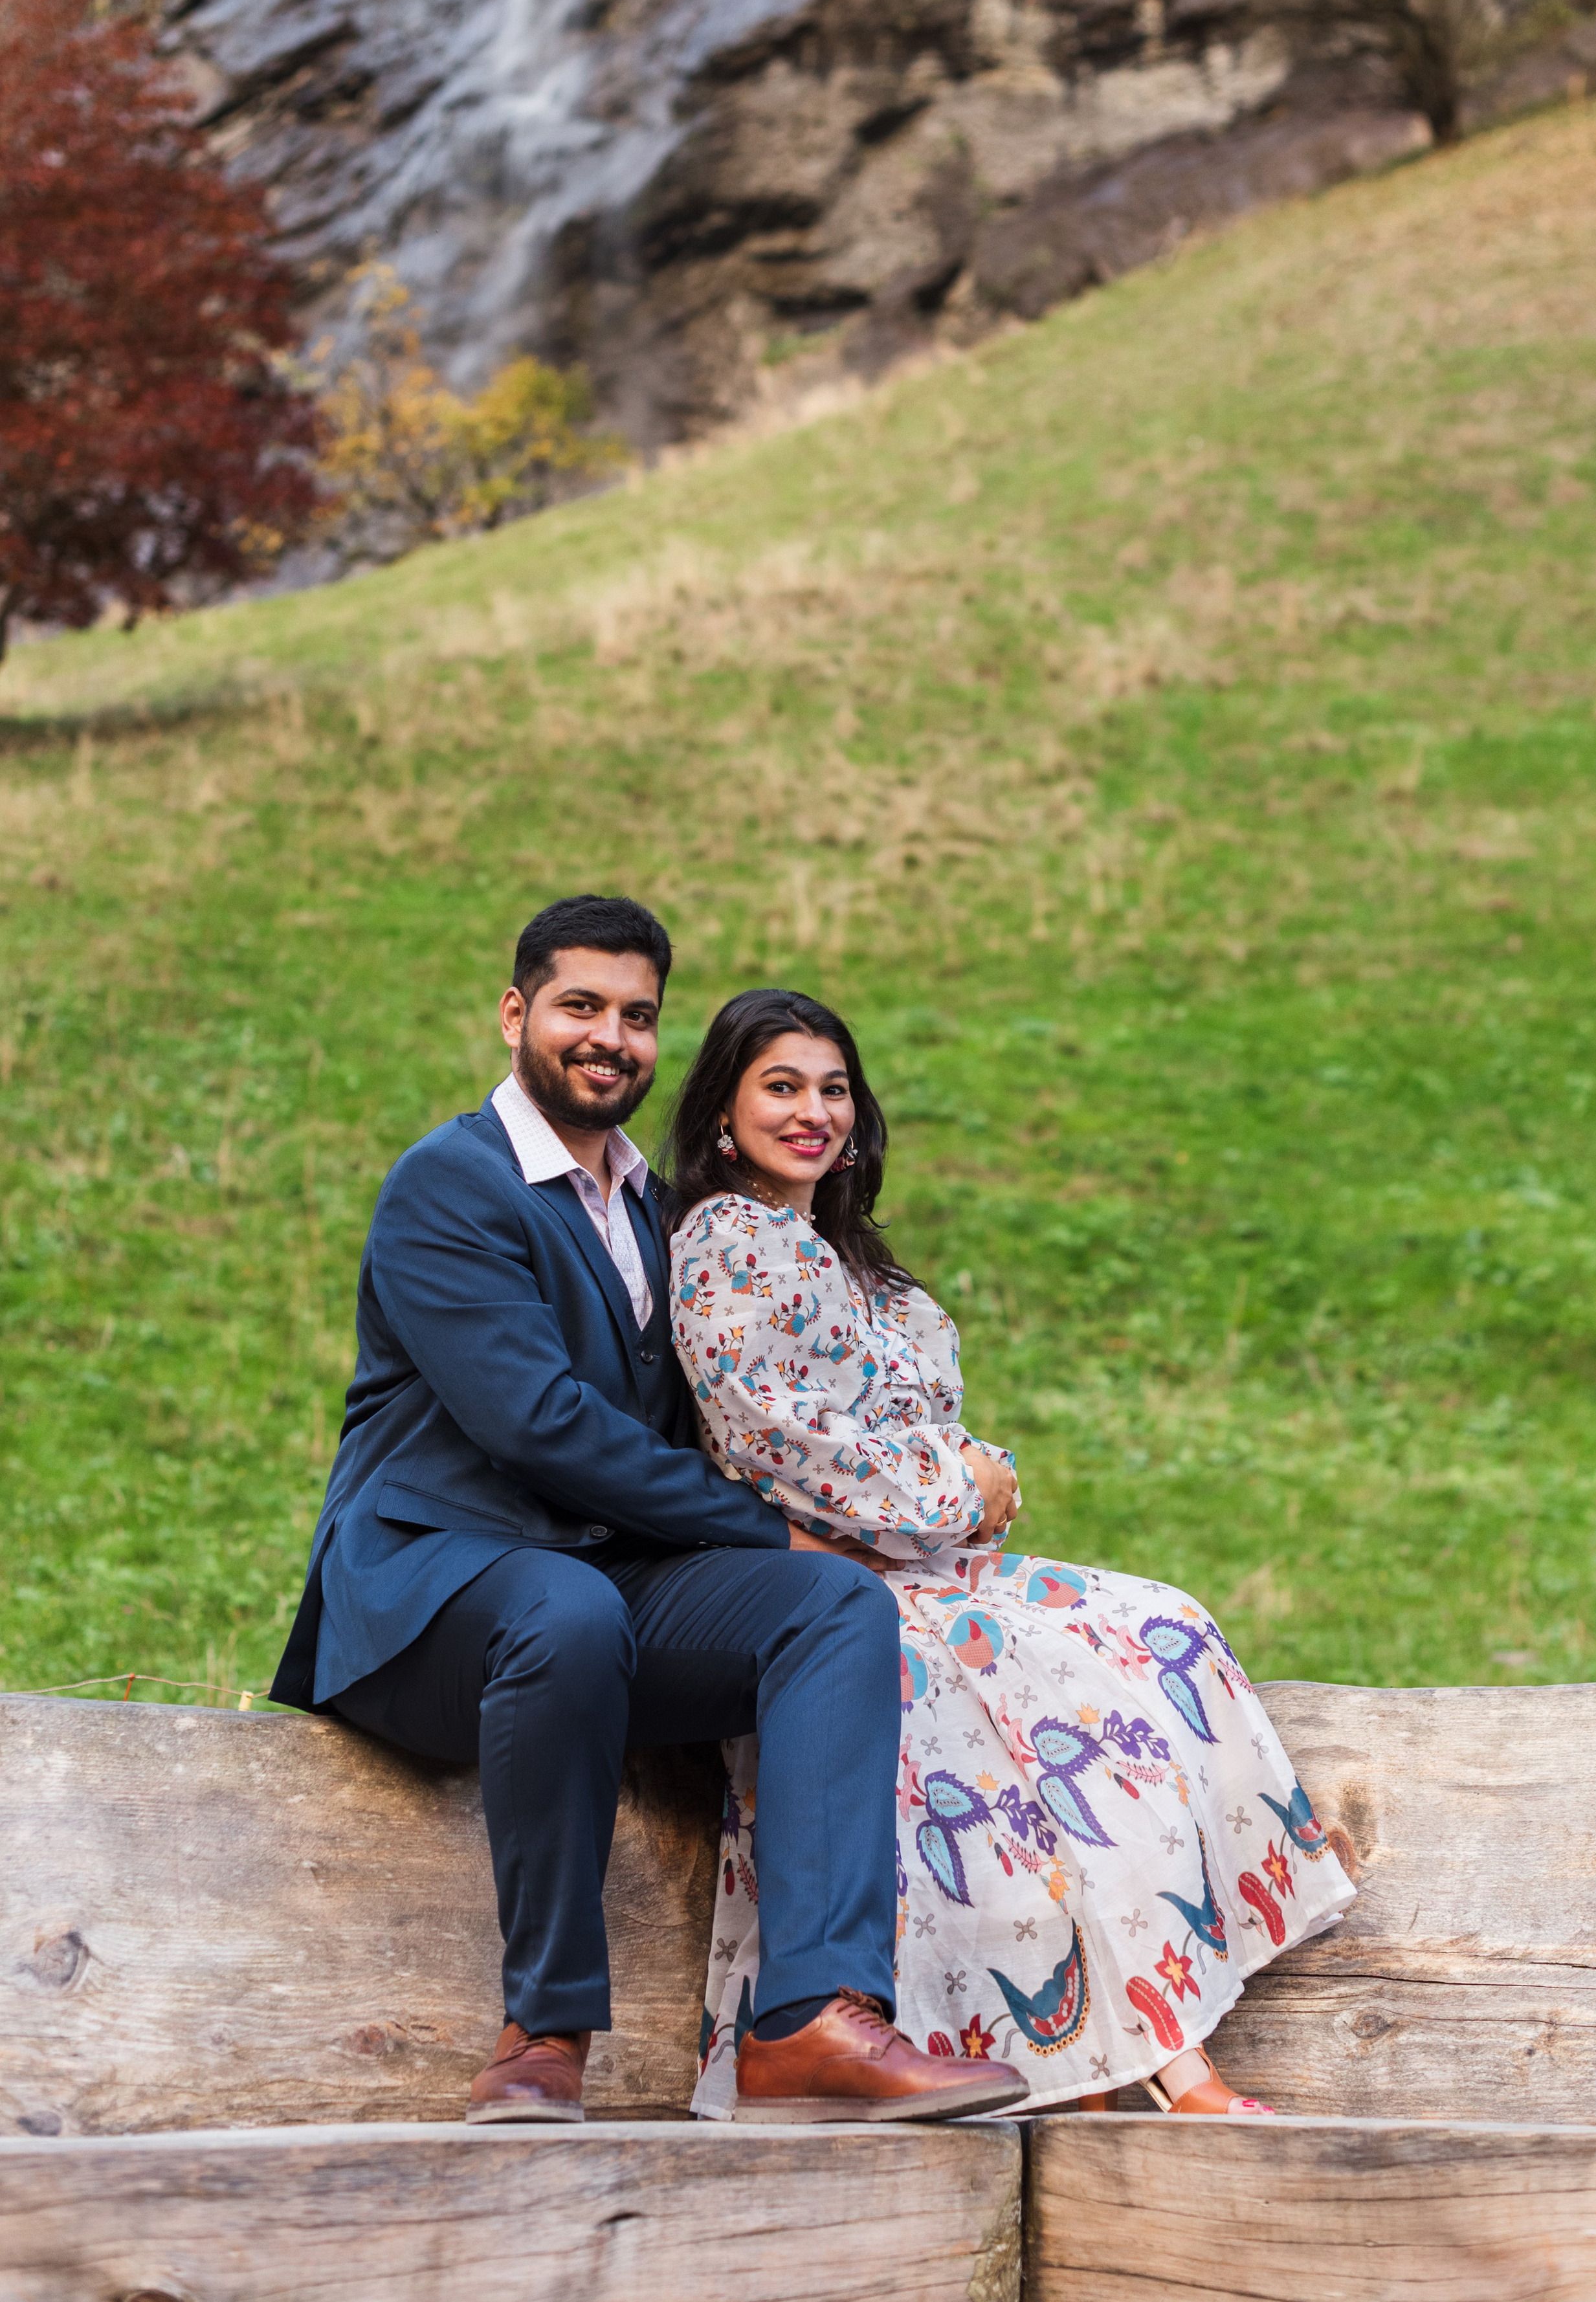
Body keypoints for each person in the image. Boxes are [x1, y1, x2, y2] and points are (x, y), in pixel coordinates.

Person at [271, 898, 1026, 2127]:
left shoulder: (658, 1211)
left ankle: (810, 2018)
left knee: (832, 1604)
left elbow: (740, 1407)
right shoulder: (449, 1185)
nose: (609, 1037)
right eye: (580, 1005)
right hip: (431, 1594)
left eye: (637, 1015)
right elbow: (539, 1424)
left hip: (606, 1587)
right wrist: (761, 1528)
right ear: (515, 1013)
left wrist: (897, 1499)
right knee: (567, 1611)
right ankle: (544, 2031)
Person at [665, 988, 1357, 2119]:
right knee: (1012, 1714)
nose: (812, 1112)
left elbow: (918, 1423)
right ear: (724, 1115)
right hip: (836, 1574)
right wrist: (960, 1491)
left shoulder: (848, 1255)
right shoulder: (727, 1240)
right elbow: (775, 1436)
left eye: (833, 1089)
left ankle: (1116, 2056)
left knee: (1163, 1623)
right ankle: (1165, 2065)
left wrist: (980, 1478)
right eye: (780, 1087)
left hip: (924, 1554)